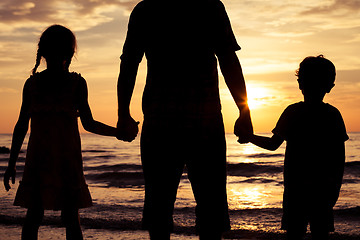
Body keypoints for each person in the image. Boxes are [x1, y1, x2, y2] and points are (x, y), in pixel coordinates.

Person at [117, 0, 253, 239]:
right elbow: (228, 59)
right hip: (203, 120)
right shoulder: (209, 7)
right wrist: (244, 111)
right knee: (210, 208)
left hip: (164, 121)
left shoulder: (147, 10)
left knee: (160, 207)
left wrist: (123, 114)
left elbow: (129, 64)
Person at [3, 24, 119, 240]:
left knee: (38, 217)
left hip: (55, 161)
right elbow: (89, 124)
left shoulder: (69, 84)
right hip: (56, 161)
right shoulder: (40, 85)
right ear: (71, 53)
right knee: (61, 218)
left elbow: (21, 127)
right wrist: (117, 132)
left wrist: (12, 164)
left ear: (43, 52)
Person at [242, 55, 348, 240]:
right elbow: (339, 159)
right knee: (320, 234)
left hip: (296, 190)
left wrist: (249, 137)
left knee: (294, 234)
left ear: (300, 83)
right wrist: (335, 189)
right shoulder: (333, 115)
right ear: (330, 86)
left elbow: (272, 144)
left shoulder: (293, 112)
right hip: (323, 191)